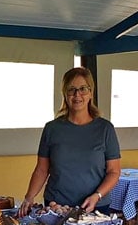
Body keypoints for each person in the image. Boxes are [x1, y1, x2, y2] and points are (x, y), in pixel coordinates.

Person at [18, 67, 121, 217]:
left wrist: (97, 195)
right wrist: (29, 197)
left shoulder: (105, 129)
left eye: (83, 89)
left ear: (91, 93)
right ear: (65, 94)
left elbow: (114, 171)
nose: (77, 94)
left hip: (95, 208)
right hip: (56, 206)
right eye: (71, 89)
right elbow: (41, 169)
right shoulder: (52, 129)